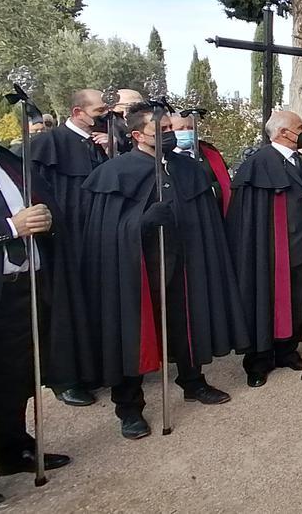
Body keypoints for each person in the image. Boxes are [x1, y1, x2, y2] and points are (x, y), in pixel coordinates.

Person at [82, 102, 249, 439]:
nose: (170, 135)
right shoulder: (114, 173)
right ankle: (129, 407)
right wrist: (139, 224)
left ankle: (193, 381)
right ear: (137, 136)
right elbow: (104, 231)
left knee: (189, 321)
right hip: (137, 269)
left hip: (187, 262)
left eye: (172, 129)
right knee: (131, 335)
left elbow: (205, 214)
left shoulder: (187, 168)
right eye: (162, 131)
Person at [0, 93, 71, 511]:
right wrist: (9, 227)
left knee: (17, 374)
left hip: (26, 286)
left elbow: (47, 205)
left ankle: (11, 449)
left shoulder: (8, 162)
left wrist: (48, 218)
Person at [227, 111, 302, 387]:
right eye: (300, 127)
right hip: (268, 251)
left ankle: (288, 350)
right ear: (283, 133)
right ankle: (258, 361)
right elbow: (246, 216)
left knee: (298, 300)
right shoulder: (258, 164)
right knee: (264, 303)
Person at [28, 89, 109, 407]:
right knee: (65, 307)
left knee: (91, 304)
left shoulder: (97, 143)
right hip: (64, 240)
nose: (106, 114)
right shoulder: (49, 143)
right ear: (78, 111)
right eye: (100, 108)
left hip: (94, 238)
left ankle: (93, 370)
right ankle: (66, 378)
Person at [171, 113, 232, 215]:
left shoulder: (210, 153)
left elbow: (224, 184)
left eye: (190, 128)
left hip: (212, 214)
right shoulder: (163, 157)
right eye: (180, 129)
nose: (187, 132)